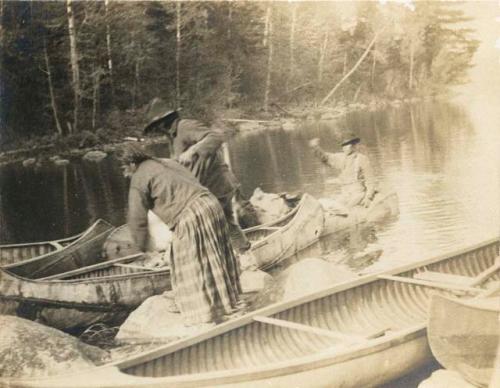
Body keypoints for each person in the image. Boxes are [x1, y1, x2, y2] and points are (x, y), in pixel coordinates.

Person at [120, 143, 241, 325]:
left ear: (130, 163)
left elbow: (137, 219)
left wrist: (142, 250)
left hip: (192, 214)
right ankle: (227, 302)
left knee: (188, 263)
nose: (124, 174)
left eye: (123, 168)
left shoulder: (139, 178)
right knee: (211, 256)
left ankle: (204, 314)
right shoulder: (167, 161)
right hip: (210, 204)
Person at [142, 98, 251, 253]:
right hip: (205, 189)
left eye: (156, 125)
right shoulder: (172, 138)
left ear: (164, 121)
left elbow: (215, 137)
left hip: (217, 185)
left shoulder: (185, 126)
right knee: (225, 223)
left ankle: (240, 256)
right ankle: (241, 253)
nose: (156, 130)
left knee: (217, 224)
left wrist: (193, 150)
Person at [309, 132, 376, 211]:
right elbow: (325, 157)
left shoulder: (362, 159)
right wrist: (316, 147)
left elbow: (370, 180)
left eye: (347, 145)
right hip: (345, 194)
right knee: (325, 204)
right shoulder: (341, 157)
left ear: (353, 146)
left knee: (345, 209)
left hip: (357, 193)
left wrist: (368, 197)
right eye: (343, 145)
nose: (344, 147)